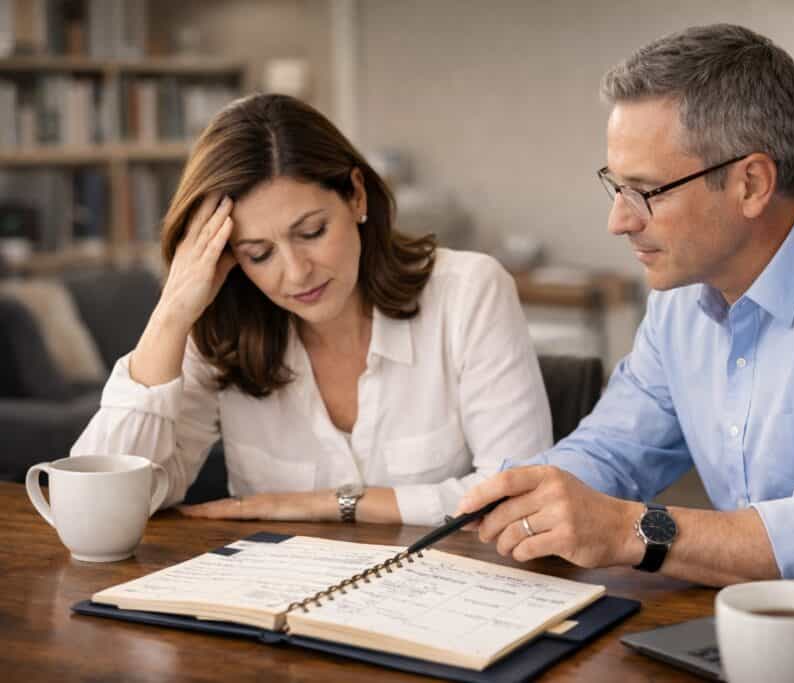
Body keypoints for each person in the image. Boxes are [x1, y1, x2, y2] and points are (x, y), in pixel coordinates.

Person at [457, 24, 794, 584]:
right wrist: (525, 492)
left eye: (646, 192)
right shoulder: (680, 300)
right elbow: (613, 452)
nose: (619, 220)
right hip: (763, 623)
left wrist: (627, 530)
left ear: (751, 183)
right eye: (615, 186)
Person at [71, 93, 552, 526]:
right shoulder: (223, 326)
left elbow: (523, 496)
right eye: (259, 254)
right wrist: (171, 315)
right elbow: (99, 508)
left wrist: (327, 503)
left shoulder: (468, 292)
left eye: (311, 232)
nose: (296, 272)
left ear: (357, 195)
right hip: (276, 607)